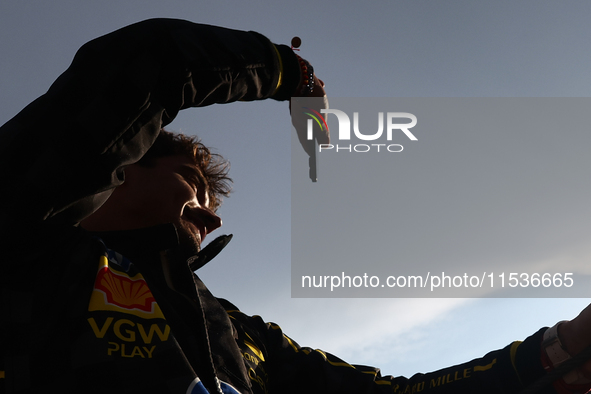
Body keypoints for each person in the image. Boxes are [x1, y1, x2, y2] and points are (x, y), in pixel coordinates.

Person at [0, 18, 590, 394]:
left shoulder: (234, 329)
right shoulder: (28, 239)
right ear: (121, 166)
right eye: (193, 183)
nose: (213, 214)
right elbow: (141, 68)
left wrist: (561, 352)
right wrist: (287, 73)